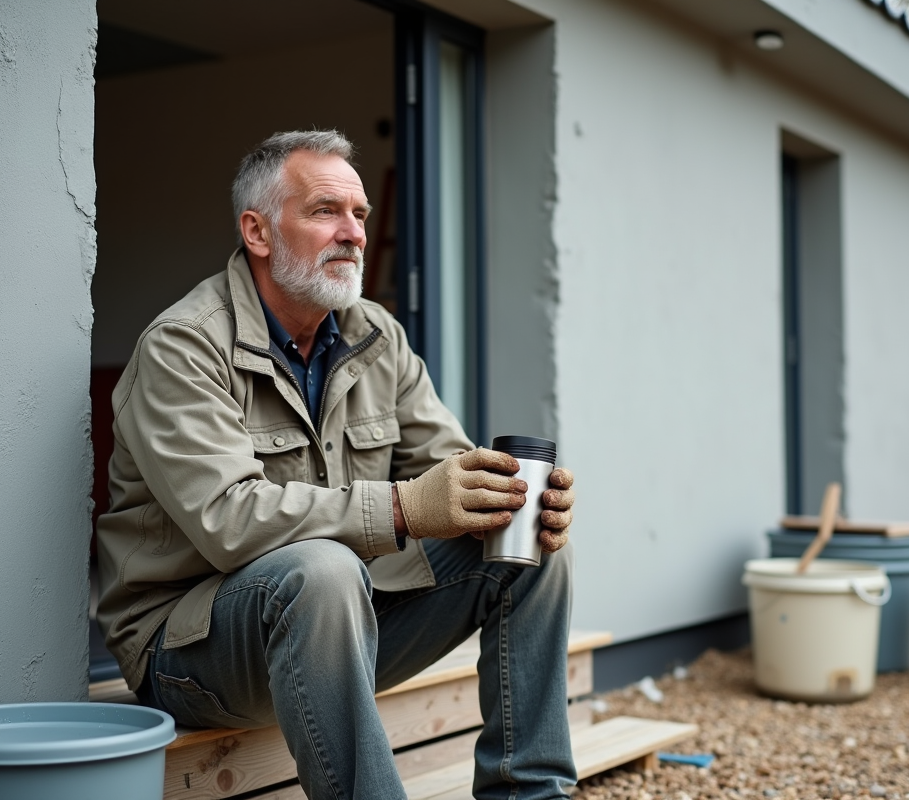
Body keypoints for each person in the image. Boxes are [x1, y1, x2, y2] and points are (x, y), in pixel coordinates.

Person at [95, 130, 577, 800]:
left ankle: (530, 794)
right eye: (325, 211)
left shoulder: (375, 334)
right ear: (258, 231)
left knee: (523, 545)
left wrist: (510, 498)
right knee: (321, 569)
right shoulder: (182, 347)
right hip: (191, 651)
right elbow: (227, 519)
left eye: (359, 215)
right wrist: (408, 507)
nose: (351, 232)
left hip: (341, 625)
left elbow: (448, 466)